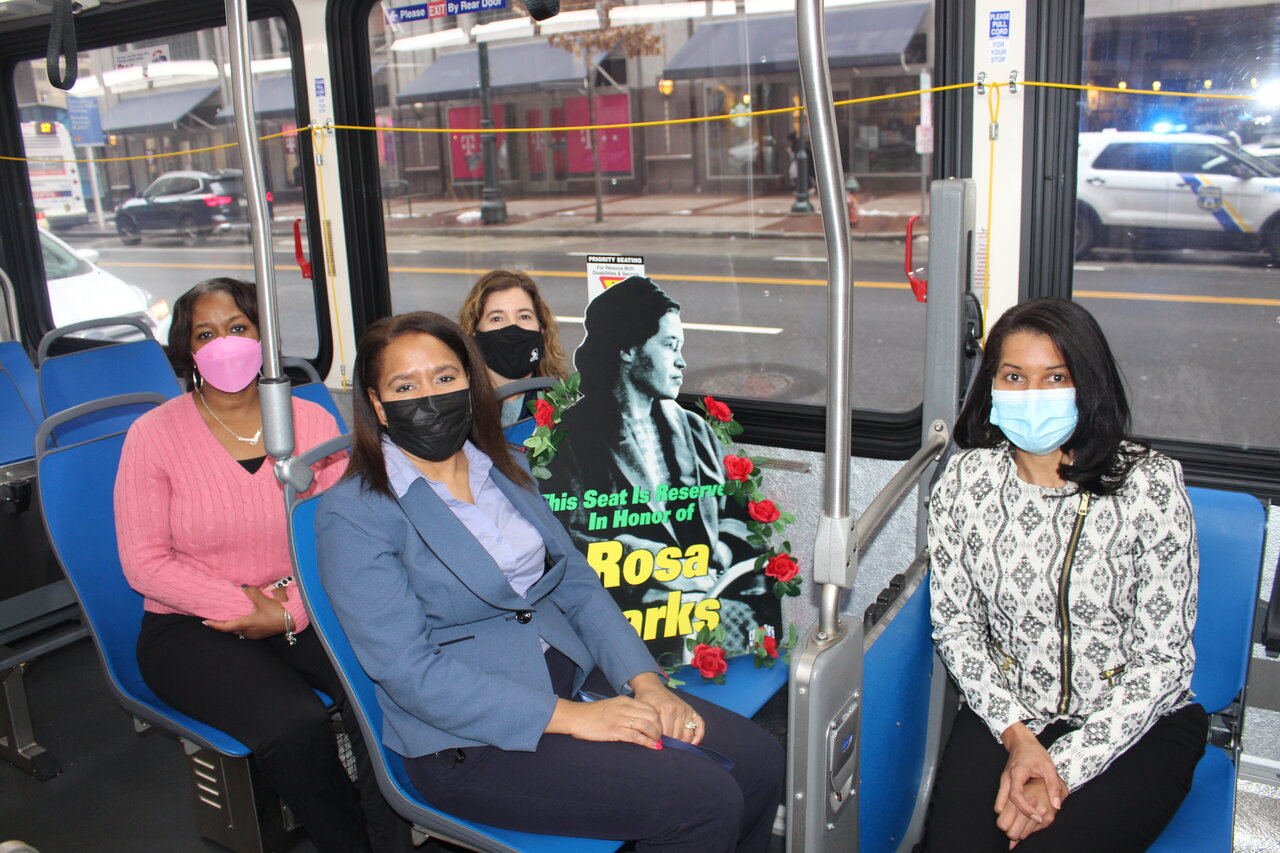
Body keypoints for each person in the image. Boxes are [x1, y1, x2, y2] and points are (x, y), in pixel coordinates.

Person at [314, 311, 784, 852]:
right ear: (377, 403)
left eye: (445, 377)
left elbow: (576, 584)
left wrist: (646, 683)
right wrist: (574, 719)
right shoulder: (354, 515)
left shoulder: (506, 468)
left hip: (568, 670)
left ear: (471, 383)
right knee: (703, 802)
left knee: (758, 763)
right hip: (469, 737)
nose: (430, 395)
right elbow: (410, 672)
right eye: (405, 385)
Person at [113, 278, 409, 853]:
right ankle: (346, 841)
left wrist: (290, 611)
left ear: (263, 338)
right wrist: (245, 607)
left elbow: (346, 535)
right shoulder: (152, 436)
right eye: (206, 332)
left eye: (239, 328)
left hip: (310, 600)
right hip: (191, 622)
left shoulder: (313, 423)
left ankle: (392, 837)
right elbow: (144, 562)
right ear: (188, 350)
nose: (224, 342)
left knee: (382, 683)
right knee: (292, 722)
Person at [920, 298, 1206, 853]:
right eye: (1014, 376)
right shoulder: (964, 482)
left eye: (1056, 377)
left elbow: (1164, 659)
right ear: (992, 388)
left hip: (1136, 720)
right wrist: (1018, 737)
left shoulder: (1150, 485)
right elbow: (955, 626)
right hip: (1009, 710)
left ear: (1087, 385)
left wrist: (1061, 769)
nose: (1034, 395)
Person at [542, 276, 766, 659]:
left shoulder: (695, 430)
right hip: (624, 621)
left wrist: (716, 562)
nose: (682, 361)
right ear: (628, 349)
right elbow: (566, 538)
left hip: (706, 605)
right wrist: (657, 568)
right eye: (669, 345)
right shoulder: (572, 436)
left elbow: (734, 516)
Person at [458, 269, 568, 428]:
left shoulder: (564, 403)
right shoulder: (459, 409)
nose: (512, 328)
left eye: (524, 316)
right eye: (497, 318)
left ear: (541, 330)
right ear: (474, 333)